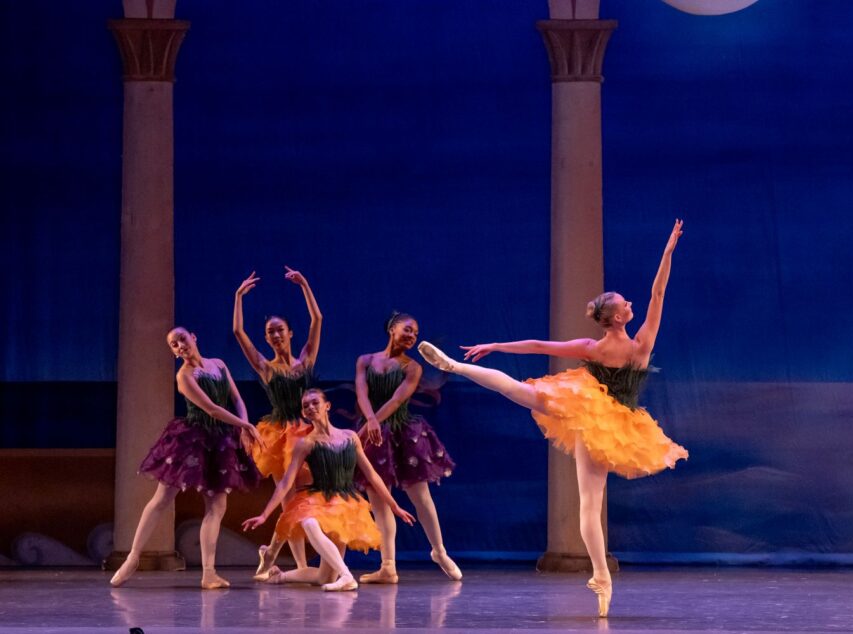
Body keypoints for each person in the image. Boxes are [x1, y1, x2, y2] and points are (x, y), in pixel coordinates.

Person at [417, 219, 689, 617]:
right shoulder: (641, 345)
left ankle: (457, 369)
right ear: (616, 318)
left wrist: (496, 344)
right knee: (589, 504)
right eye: (624, 303)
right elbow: (658, 291)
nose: (631, 304)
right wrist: (668, 251)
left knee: (520, 392)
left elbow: (538, 345)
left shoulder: (592, 347)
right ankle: (601, 577)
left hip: (586, 409)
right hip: (610, 421)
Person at [110, 326, 264, 589]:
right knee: (162, 499)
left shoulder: (219, 364)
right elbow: (213, 409)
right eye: (173, 344)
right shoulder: (184, 376)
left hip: (221, 440)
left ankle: (208, 573)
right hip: (192, 441)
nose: (180, 345)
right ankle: (133, 557)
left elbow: (236, 399)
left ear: (194, 336)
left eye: (181, 339)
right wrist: (245, 426)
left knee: (217, 506)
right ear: (173, 353)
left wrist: (244, 425)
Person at [242, 388, 415, 591]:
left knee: (325, 576)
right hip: (314, 499)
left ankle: (279, 576)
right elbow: (286, 482)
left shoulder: (350, 437)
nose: (310, 408)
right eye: (305, 406)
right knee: (308, 522)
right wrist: (264, 514)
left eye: (315, 402)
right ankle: (347, 575)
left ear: (327, 406)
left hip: (344, 504)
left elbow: (372, 475)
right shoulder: (305, 444)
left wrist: (394, 506)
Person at [355, 312, 460, 584]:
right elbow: (362, 393)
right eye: (408, 329)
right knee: (378, 499)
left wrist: (373, 422)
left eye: (415, 332)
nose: (412, 336)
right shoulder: (365, 361)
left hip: (402, 432)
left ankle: (439, 551)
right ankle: (388, 566)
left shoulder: (413, 368)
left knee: (421, 496)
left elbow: (397, 400)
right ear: (392, 329)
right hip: (372, 432)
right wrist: (369, 422)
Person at [233, 267, 321, 578]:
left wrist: (305, 285)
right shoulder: (266, 367)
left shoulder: (306, 360)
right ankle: (297, 566)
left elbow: (318, 321)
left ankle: (271, 554)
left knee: (304, 498)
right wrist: (238, 297)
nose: (275, 334)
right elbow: (238, 334)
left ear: (289, 333)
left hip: (309, 433)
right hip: (280, 436)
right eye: (270, 331)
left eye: (280, 329)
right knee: (288, 503)